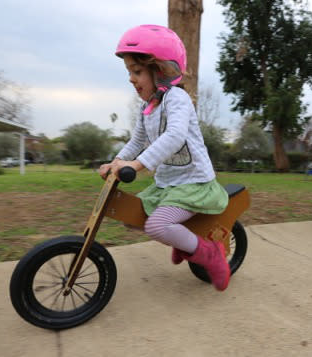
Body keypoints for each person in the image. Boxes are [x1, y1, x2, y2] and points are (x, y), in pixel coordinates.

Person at [98, 25, 231, 291]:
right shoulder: (147, 107)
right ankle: (184, 243)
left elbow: (175, 135)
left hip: (193, 184)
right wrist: (116, 162)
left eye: (137, 72)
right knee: (131, 216)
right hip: (168, 185)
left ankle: (210, 253)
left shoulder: (177, 99)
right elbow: (136, 141)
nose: (131, 79)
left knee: (157, 226)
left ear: (160, 71)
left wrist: (136, 165)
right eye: (129, 72)